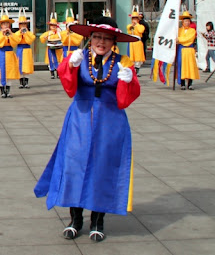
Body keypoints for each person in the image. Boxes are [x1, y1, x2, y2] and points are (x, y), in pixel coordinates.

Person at [34, 16, 141, 243]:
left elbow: (125, 100)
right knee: (74, 165)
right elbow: (70, 89)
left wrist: (130, 80)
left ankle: (97, 221)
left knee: (102, 168)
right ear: (90, 38)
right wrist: (69, 66)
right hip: (80, 119)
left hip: (110, 121)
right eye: (97, 37)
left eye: (107, 38)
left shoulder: (124, 61)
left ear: (114, 41)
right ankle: (75, 219)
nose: (101, 42)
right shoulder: (79, 58)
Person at [0, 9, 20, 98]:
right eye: (4, 24)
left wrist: (11, 34)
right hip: (1, 54)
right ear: (1, 25)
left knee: (9, 72)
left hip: (10, 54)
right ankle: (2, 91)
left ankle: (8, 91)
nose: (5, 25)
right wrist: (4, 36)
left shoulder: (12, 34)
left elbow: (16, 41)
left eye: (7, 24)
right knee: (1, 72)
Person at [176, 11, 200, 90]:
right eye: (185, 21)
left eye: (188, 21)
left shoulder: (192, 30)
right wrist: (179, 40)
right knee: (181, 66)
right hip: (181, 49)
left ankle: (190, 83)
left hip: (189, 49)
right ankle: (182, 83)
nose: (187, 22)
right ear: (182, 22)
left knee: (190, 66)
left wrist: (179, 39)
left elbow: (189, 39)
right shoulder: (179, 30)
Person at [14, 9, 36, 88]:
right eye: (21, 24)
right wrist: (20, 33)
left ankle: (26, 82)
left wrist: (26, 34)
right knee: (20, 65)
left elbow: (30, 40)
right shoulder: (17, 33)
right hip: (20, 49)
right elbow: (16, 40)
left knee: (27, 66)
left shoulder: (29, 33)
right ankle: (21, 82)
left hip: (27, 50)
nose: (23, 26)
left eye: (24, 24)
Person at [39, 13, 63, 79]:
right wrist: (45, 37)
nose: (53, 27)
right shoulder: (48, 33)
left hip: (58, 49)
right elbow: (41, 38)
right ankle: (52, 73)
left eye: (54, 25)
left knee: (58, 61)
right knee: (51, 60)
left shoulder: (59, 33)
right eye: (52, 25)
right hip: (50, 48)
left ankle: (58, 73)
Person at [127, 6, 146, 77]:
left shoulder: (141, 26)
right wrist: (132, 26)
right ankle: (132, 70)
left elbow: (141, 31)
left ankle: (137, 70)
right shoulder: (130, 25)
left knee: (138, 58)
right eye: (133, 18)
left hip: (138, 43)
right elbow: (128, 30)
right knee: (131, 57)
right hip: (132, 43)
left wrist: (137, 25)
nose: (134, 20)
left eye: (135, 18)